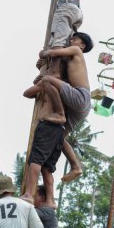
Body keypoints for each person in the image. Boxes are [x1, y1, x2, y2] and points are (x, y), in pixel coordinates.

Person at [22, 32, 93, 205]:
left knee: (48, 79)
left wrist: (44, 54)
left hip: (79, 98)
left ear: (82, 45)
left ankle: (60, 114)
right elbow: (31, 90)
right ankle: (76, 166)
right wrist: (41, 68)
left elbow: (53, 54)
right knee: (60, 139)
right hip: (77, 105)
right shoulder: (68, 68)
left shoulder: (76, 51)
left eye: (75, 39)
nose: (71, 40)